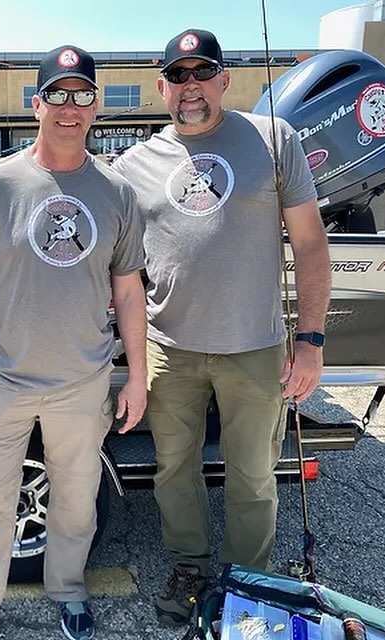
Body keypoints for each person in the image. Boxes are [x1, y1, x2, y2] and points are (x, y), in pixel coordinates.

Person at [0, 45, 148, 640]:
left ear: (97, 106)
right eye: (57, 94)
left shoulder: (117, 193)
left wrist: (137, 378)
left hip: (83, 383)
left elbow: (130, 293)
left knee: (76, 503)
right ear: (36, 104)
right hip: (4, 382)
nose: (70, 107)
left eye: (82, 95)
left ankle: (68, 592)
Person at [109, 28, 331, 626]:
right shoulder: (134, 163)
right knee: (173, 471)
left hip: (255, 347)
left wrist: (309, 342)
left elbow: (311, 244)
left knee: (254, 476)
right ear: (161, 87)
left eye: (202, 72)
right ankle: (190, 569)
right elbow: (76, 194)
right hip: (167, 350)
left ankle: (244, 587)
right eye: (177, 76)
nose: (190, 87)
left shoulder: (272, 138)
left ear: (225, 80)